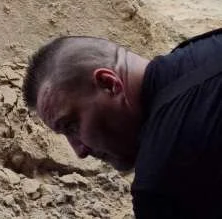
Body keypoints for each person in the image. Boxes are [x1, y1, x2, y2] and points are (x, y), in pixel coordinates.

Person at [22, 30, 222, 218]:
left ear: (109, 84)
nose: (80, 151)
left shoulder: (161, 182)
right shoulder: (209, 45)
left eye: (72, 126)